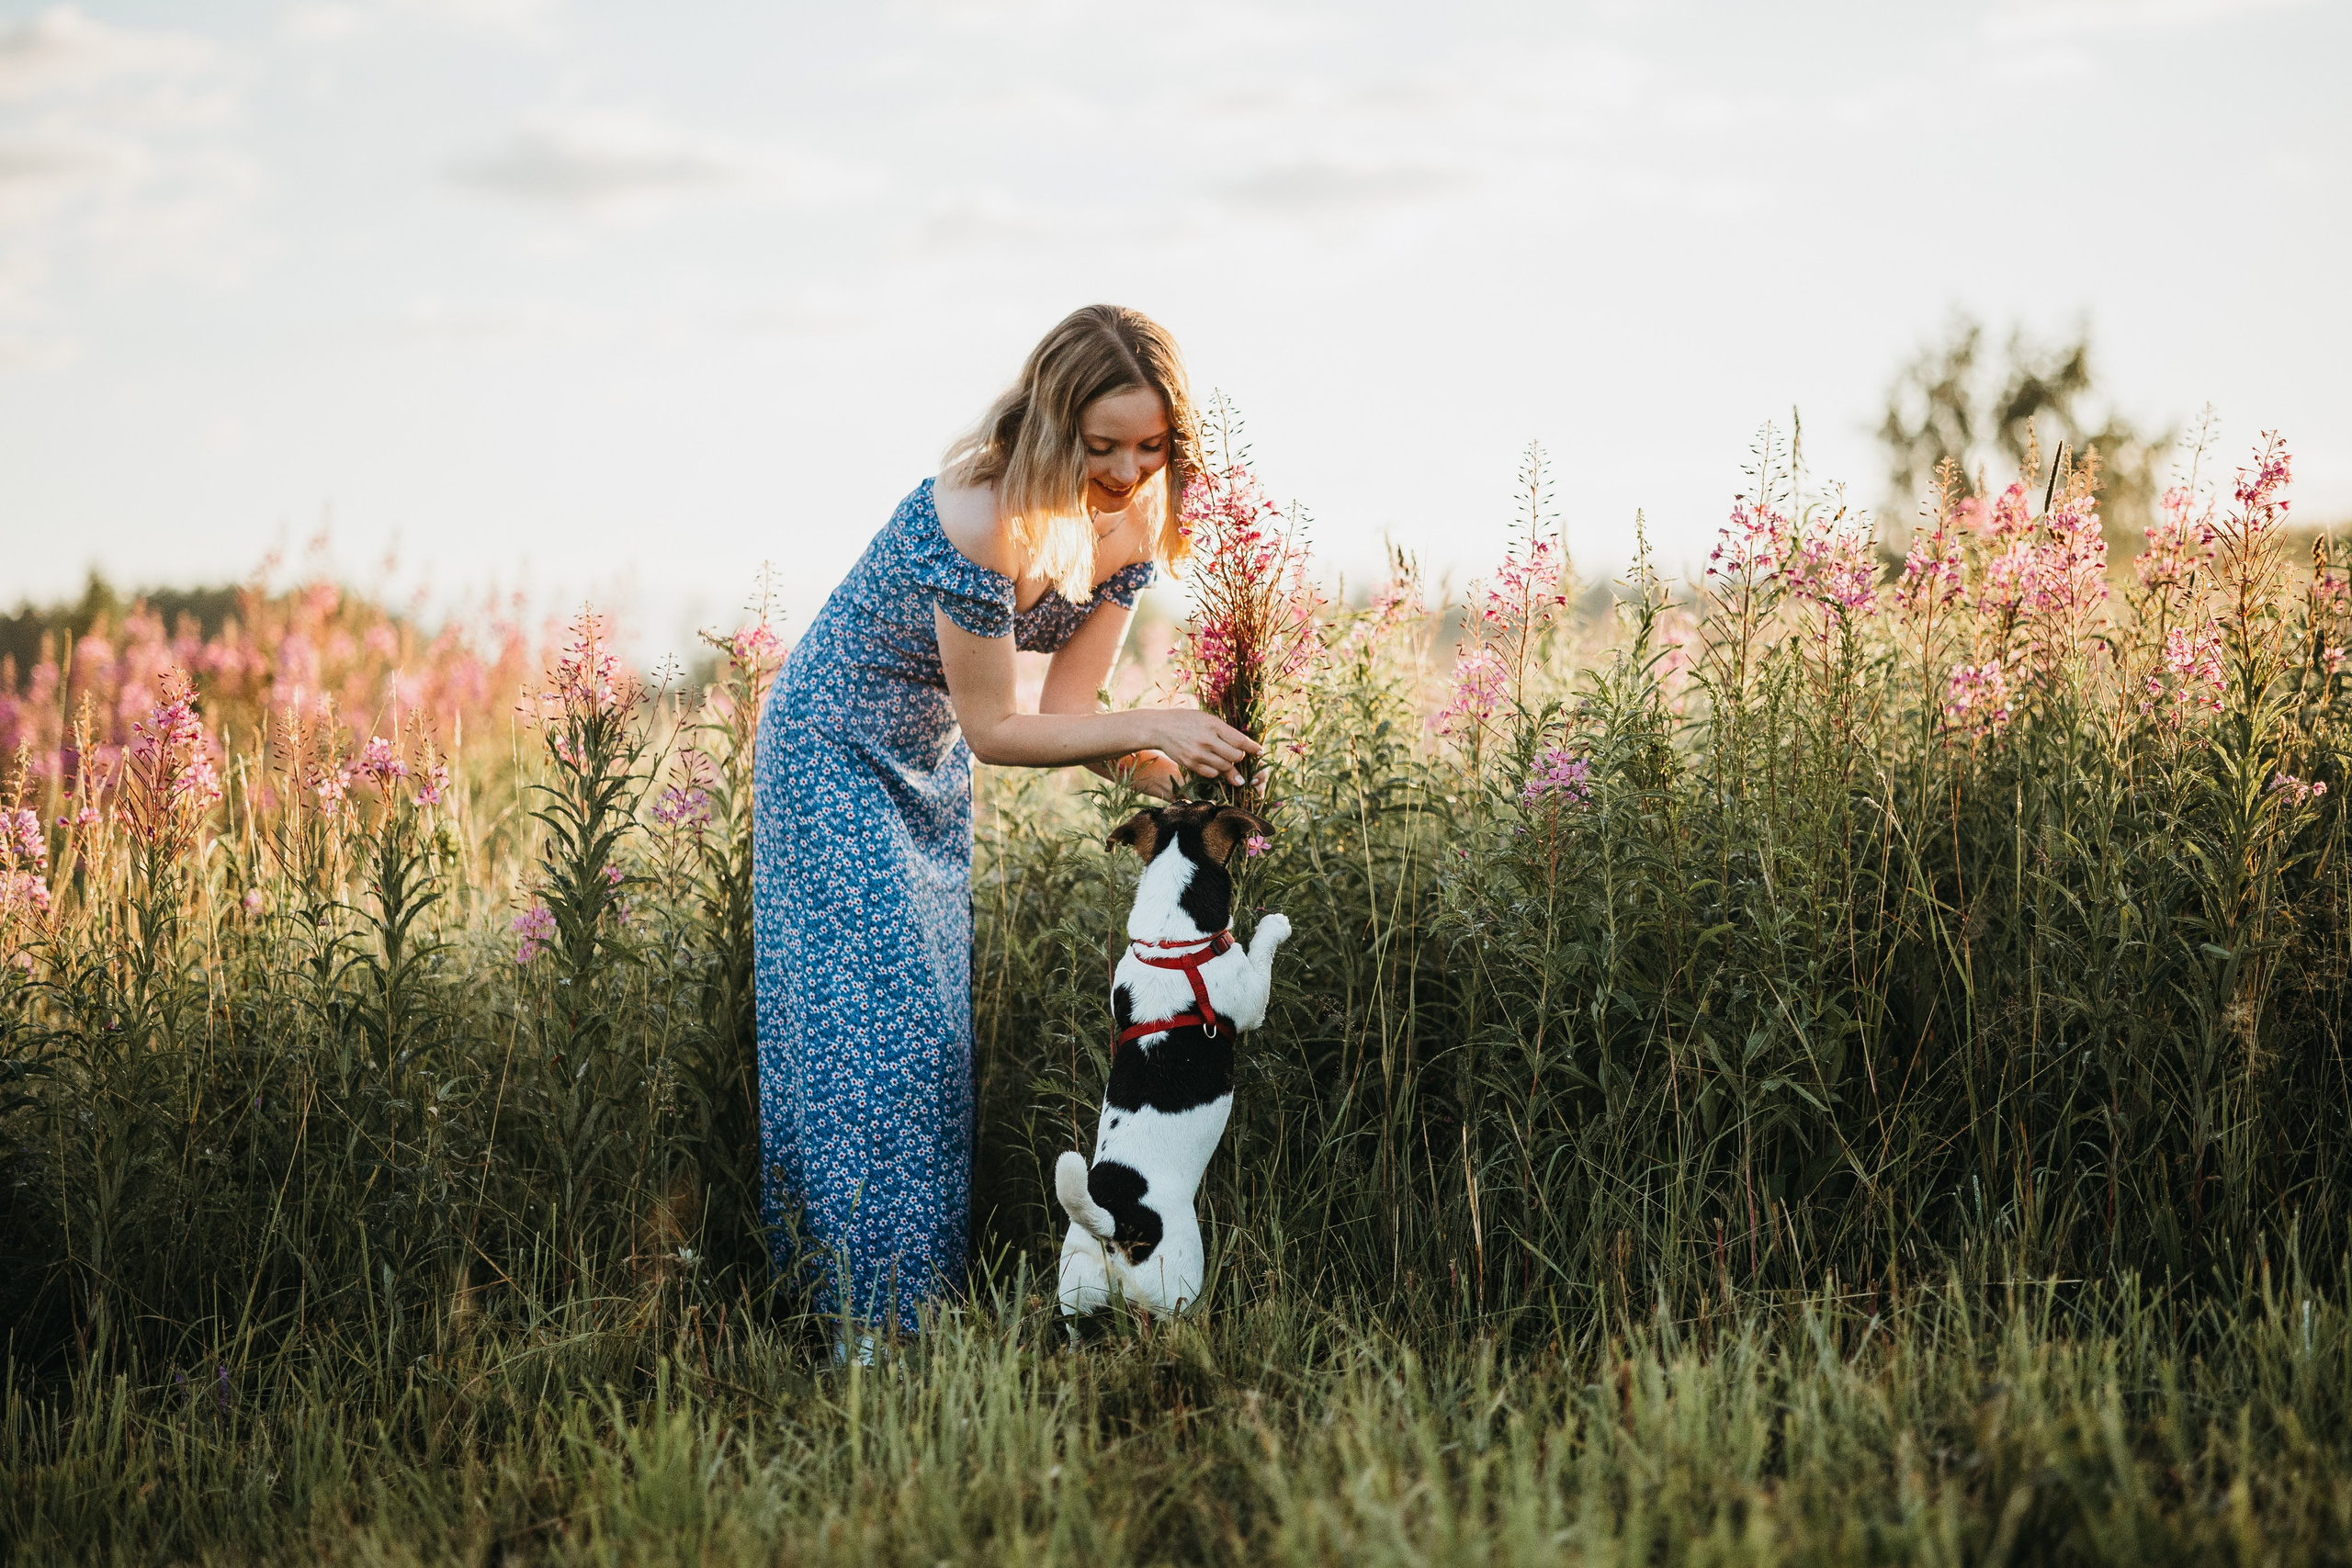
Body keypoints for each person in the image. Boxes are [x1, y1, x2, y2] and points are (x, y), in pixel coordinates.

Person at [752, 304, 1261, 1339]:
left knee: (931, 1038)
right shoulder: (979, 514)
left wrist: (1166, 774)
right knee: (860, 1032)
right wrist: (1159, 715)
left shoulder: (1133, 523)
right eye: (1102, 443)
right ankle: (853, 1326)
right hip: (831, 747)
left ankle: (910, 1312)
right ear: (1049, 420)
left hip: (927, 760)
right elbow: (996, 726)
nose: (1127, 470)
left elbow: (1070, 716)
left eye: (1151, 445)